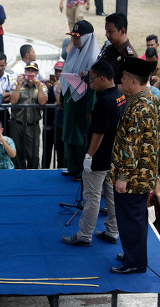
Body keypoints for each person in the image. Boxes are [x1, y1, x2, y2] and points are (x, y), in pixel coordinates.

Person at [61, 60, 126, 247]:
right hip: (112, 156)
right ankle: (113, 231)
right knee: (111, 197)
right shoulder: (120, 95)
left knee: (92, 197)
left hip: (98, 157)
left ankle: (84, 235)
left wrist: (89, 156)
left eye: (94, 78)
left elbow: (99, 132)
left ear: (103, 78)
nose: (92, 82)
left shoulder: (104, 102)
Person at [109, 58, 160, 274]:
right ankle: (134, 254)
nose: (120, 80)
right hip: (142, 173)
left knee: (131, 219)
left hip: (134, 176)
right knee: (135, 218)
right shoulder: (148, 98)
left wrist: (123, 176)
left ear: (132, 81)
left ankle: (135, 262)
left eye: (123, 77)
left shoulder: (140, 106)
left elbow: (132, 145)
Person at [60, 20, 99, 180]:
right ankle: (72, 166)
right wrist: (63, 97)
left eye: (77, 37)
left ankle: (83, 171)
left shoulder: (94, 58)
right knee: (69, 133)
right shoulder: (73, 53)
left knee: (81, 137)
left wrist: (90, 108)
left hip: (84, 103)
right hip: (71, 99)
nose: (74, 41)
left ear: (86, 38)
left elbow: (95, 87)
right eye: (73, 37)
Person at [9, 61, 47, 169]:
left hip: (32, 124)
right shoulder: (18, 84)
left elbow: (42, 102)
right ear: (24, 71)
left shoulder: (42, 86)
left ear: (37, 73)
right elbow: (13, 101)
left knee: (33, 155)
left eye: (33, 71)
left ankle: (33, 177)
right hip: (17, 123)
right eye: (28, 70)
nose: (30, 73)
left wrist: (38, 85)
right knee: (17, 154)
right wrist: (18, 85)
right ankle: (18, 177)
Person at [101, 13, 137, 86]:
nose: (106, 34)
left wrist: (104, 85)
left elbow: (128, 88)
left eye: (110, 31)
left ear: (122, 31)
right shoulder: (109, 48)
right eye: (106, 31)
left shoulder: (129, 56)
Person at [42, 61, 65, 169]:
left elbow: (59, 101)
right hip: (48, 122)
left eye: (60, 71)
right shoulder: (48, 84)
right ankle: (43, 171)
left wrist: (58, 87)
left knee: (60, 150)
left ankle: (61, 169)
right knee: (46, 151)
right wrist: (48, 87)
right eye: (57, 71)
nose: (58, 73)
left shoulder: (65, 84)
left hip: (60, 123)